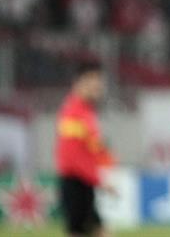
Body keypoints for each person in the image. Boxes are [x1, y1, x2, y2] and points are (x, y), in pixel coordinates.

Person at [55, 61, 115, 237]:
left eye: (99, 82)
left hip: (82, 183)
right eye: (92, 82)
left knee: (97, 231)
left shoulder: (85, 111)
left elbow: (90, 148)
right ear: (78, 83)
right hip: (76, 182)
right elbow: (71, 156)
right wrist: (98, 180)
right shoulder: (73, 113)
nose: (97, 87)